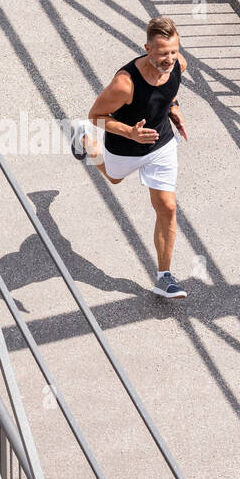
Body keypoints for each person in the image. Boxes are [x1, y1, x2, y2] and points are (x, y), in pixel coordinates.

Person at [72, 16, 190, 298]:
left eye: (173, 51)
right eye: (162, 53)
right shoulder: (124, 84)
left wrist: (173, 109)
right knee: (113, 178)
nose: (170, 59)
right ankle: (83, 139)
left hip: (161, 145)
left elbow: (169, 91)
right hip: (126, 146)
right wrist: (130, 133)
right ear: (147, 48)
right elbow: (96, 116)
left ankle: (164, 278)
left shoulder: (177, 64)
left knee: (167, 207)